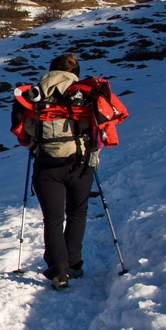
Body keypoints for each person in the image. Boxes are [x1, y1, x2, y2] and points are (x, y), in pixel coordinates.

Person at [13, 53, 97, 289]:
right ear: (75, 71)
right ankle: (73, 264)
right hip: (80, 163)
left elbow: (24, 135)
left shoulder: (35, 96)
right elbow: (99, 128)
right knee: (77, 213)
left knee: (52, 218)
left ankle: (58, 270)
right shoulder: (85, 94)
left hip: (46, 165)